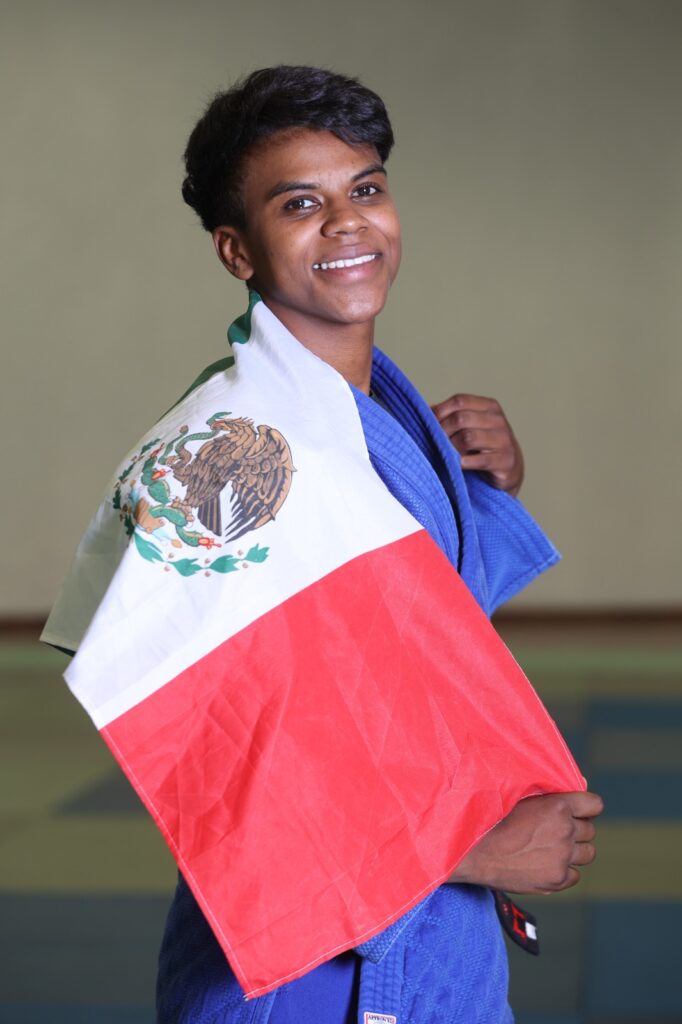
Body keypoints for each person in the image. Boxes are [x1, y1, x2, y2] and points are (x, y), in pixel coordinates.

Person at [43, 66, 602, 1023]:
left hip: (436, 942)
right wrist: (466, 853)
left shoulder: (373, 416)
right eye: (301, 203)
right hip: (316, 964)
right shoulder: (220, 459)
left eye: (367, 189)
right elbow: (208, 755)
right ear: (237, 250)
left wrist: (485, 497)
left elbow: (399, 643)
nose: (348, 225)